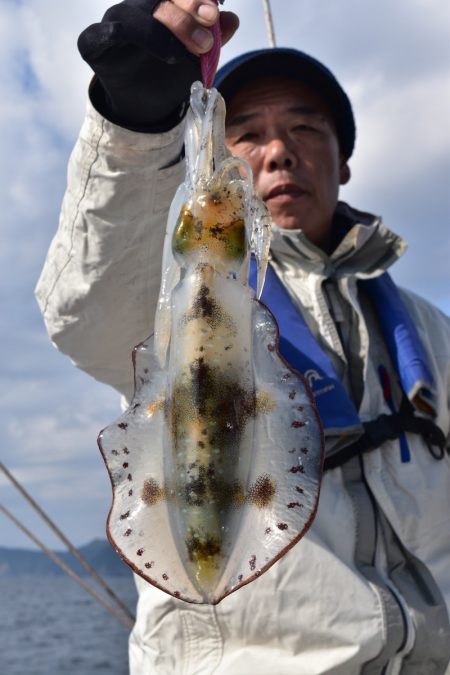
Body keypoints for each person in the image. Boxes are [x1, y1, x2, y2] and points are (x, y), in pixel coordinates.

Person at [35, 1, 450, 673]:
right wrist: (137, 127)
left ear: (343, 160)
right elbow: (90, 308)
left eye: (306, 127)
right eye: (248, 132)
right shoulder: (169, 291)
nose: (280, 149)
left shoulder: (430, 334)